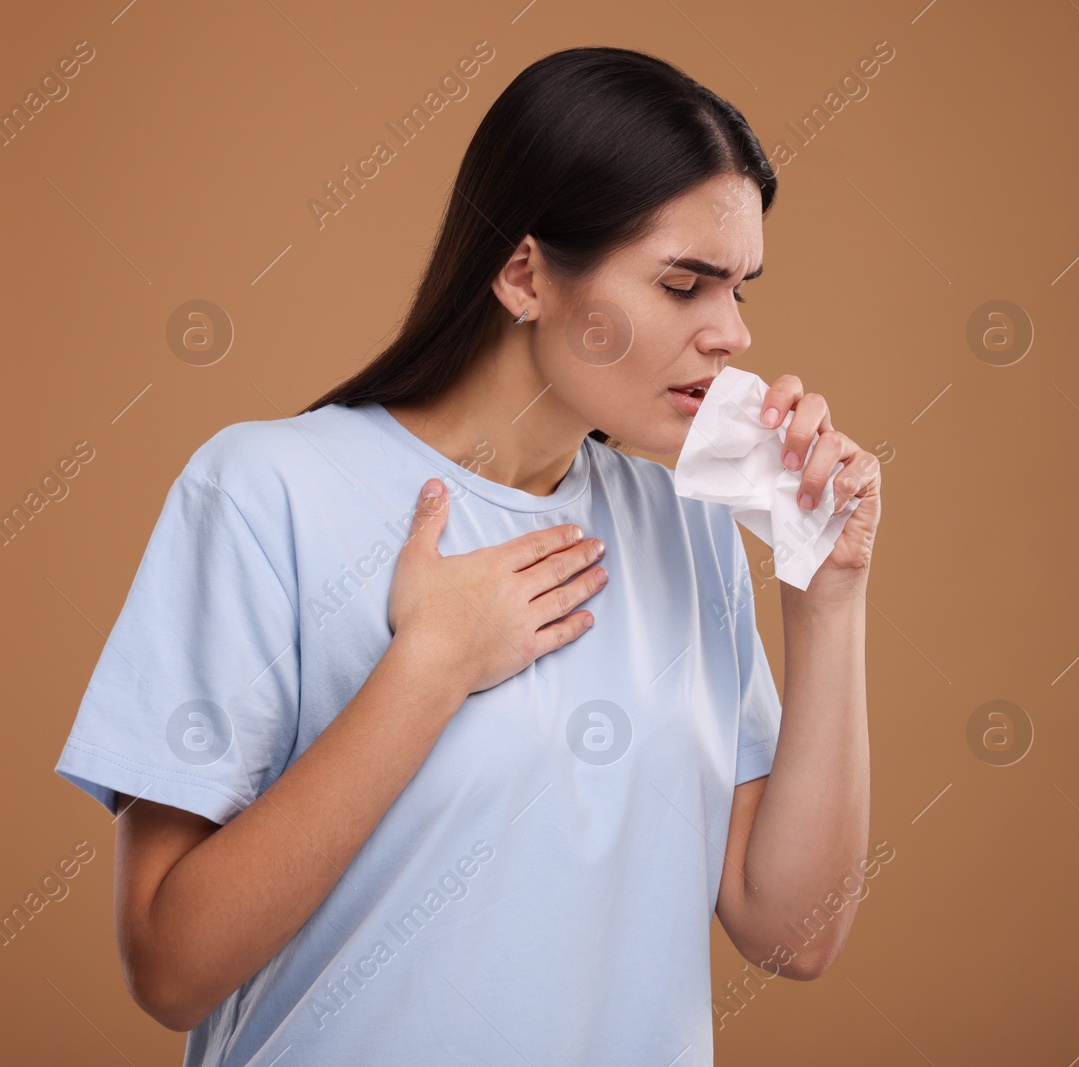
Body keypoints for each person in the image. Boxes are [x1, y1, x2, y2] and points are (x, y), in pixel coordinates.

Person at [53, 45, 880, 1066]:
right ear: (524, 274)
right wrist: (430, 667)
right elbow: (170, 967)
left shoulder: (689, 523)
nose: (732, 334)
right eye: (683, 284)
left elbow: (791, 931)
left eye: (741, 289)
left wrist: (826, 591)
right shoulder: (267, 490)